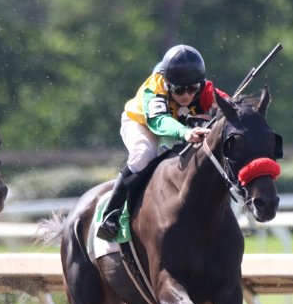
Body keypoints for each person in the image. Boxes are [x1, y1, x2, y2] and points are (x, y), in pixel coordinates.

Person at [96, 43, 225, 241]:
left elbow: (227, 104)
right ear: (167, 84)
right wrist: (185, 132)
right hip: (142, 124)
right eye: (179, 90)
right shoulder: (155, 87)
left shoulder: (204, 89)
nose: (187, 95)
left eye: (192, 89)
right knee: (144, 155)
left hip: (178, 129)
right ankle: (111, 214)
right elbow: (159, 121)